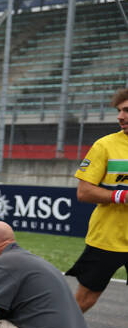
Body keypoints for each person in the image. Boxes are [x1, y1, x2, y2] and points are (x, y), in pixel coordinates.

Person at [66, 87, 128, 313]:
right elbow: (84, 192)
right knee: (83, 301)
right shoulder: (105, 145)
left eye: (127, 111)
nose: (120, 117)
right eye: (119, 111)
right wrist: (121, 195)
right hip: (107, 238)